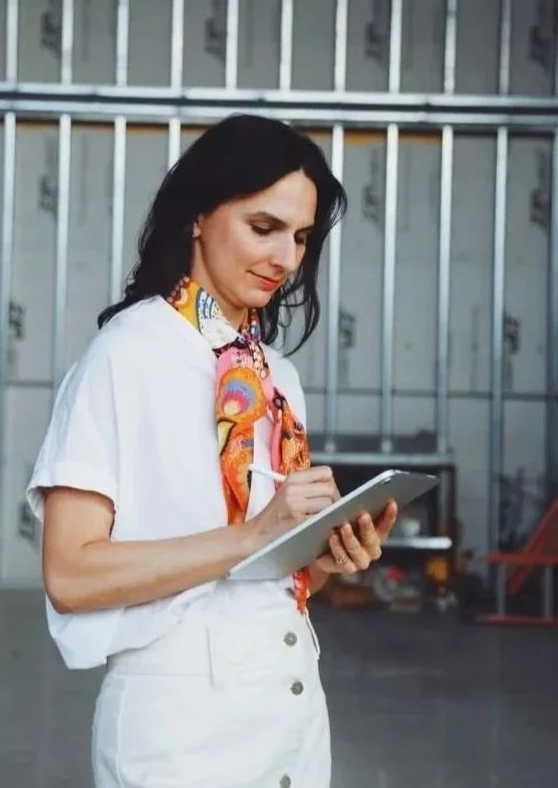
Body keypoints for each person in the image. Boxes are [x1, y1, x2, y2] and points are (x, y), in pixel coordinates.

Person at [26, 114, 398, 788]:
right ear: (198, 215)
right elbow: (71, 576)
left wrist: (328, 556)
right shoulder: (127, 356)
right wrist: (254, 533)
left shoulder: (273, 376)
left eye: (301, 237)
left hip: (289, 712)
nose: (285, 259)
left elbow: (263, 576)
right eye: (264, 227)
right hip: (178, 729)